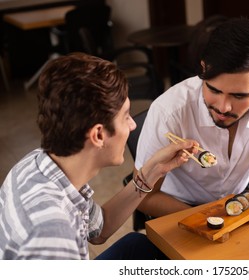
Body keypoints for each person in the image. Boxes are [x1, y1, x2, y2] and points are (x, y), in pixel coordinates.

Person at [0, 53, 199, 260]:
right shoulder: (54, 234)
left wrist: (151, 172)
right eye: (126, 116)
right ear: (98, 135)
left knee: (137, 245)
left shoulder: (38, 163)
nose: (132, 125)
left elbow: (98, 230)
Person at [134, 18, 249, 218]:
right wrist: (209, 218)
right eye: (214, 90)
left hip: (237, 200)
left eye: (239, 96)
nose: (223, 107)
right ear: (204, 69)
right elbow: (143, 197)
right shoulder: (168, 111)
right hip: (179, 208)